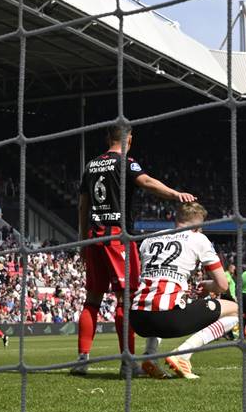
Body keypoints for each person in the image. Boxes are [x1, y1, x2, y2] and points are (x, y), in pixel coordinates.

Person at [72, 124, 195, 376]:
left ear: (108, 136)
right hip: (117, 236)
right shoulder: (126, 162)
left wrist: (82, 240)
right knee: (124, 299)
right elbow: (147, 182)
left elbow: (82, 206)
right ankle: (127, 363)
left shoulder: (91, 165)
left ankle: (82, 360)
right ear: (130, 139)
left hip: (93, 237)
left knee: (92, 300)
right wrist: (175, 194)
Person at [129, 202, 239, 379]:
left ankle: (150, 355)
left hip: (137, 319)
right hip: (166, 318)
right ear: (198, 226)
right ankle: (182, 355)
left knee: (158, 302)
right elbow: (222, 285)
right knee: (235, 310)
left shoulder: (148, 240)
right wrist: (207, 285)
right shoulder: (198, 239)